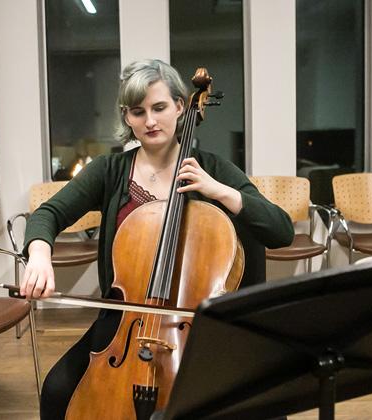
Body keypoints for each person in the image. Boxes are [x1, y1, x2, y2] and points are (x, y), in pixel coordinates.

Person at [20, 59, 294, 419]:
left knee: (250, 402)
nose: (150, 121)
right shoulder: (110, 171)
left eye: (159, 107)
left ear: (181, 107)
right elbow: (47, 214)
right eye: (138, 111)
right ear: (126, 117)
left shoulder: (211, 169)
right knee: (57, 391)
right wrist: (39, 254)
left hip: (196, 328)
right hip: (126, 323)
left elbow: (281, 231)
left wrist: (221, 192)